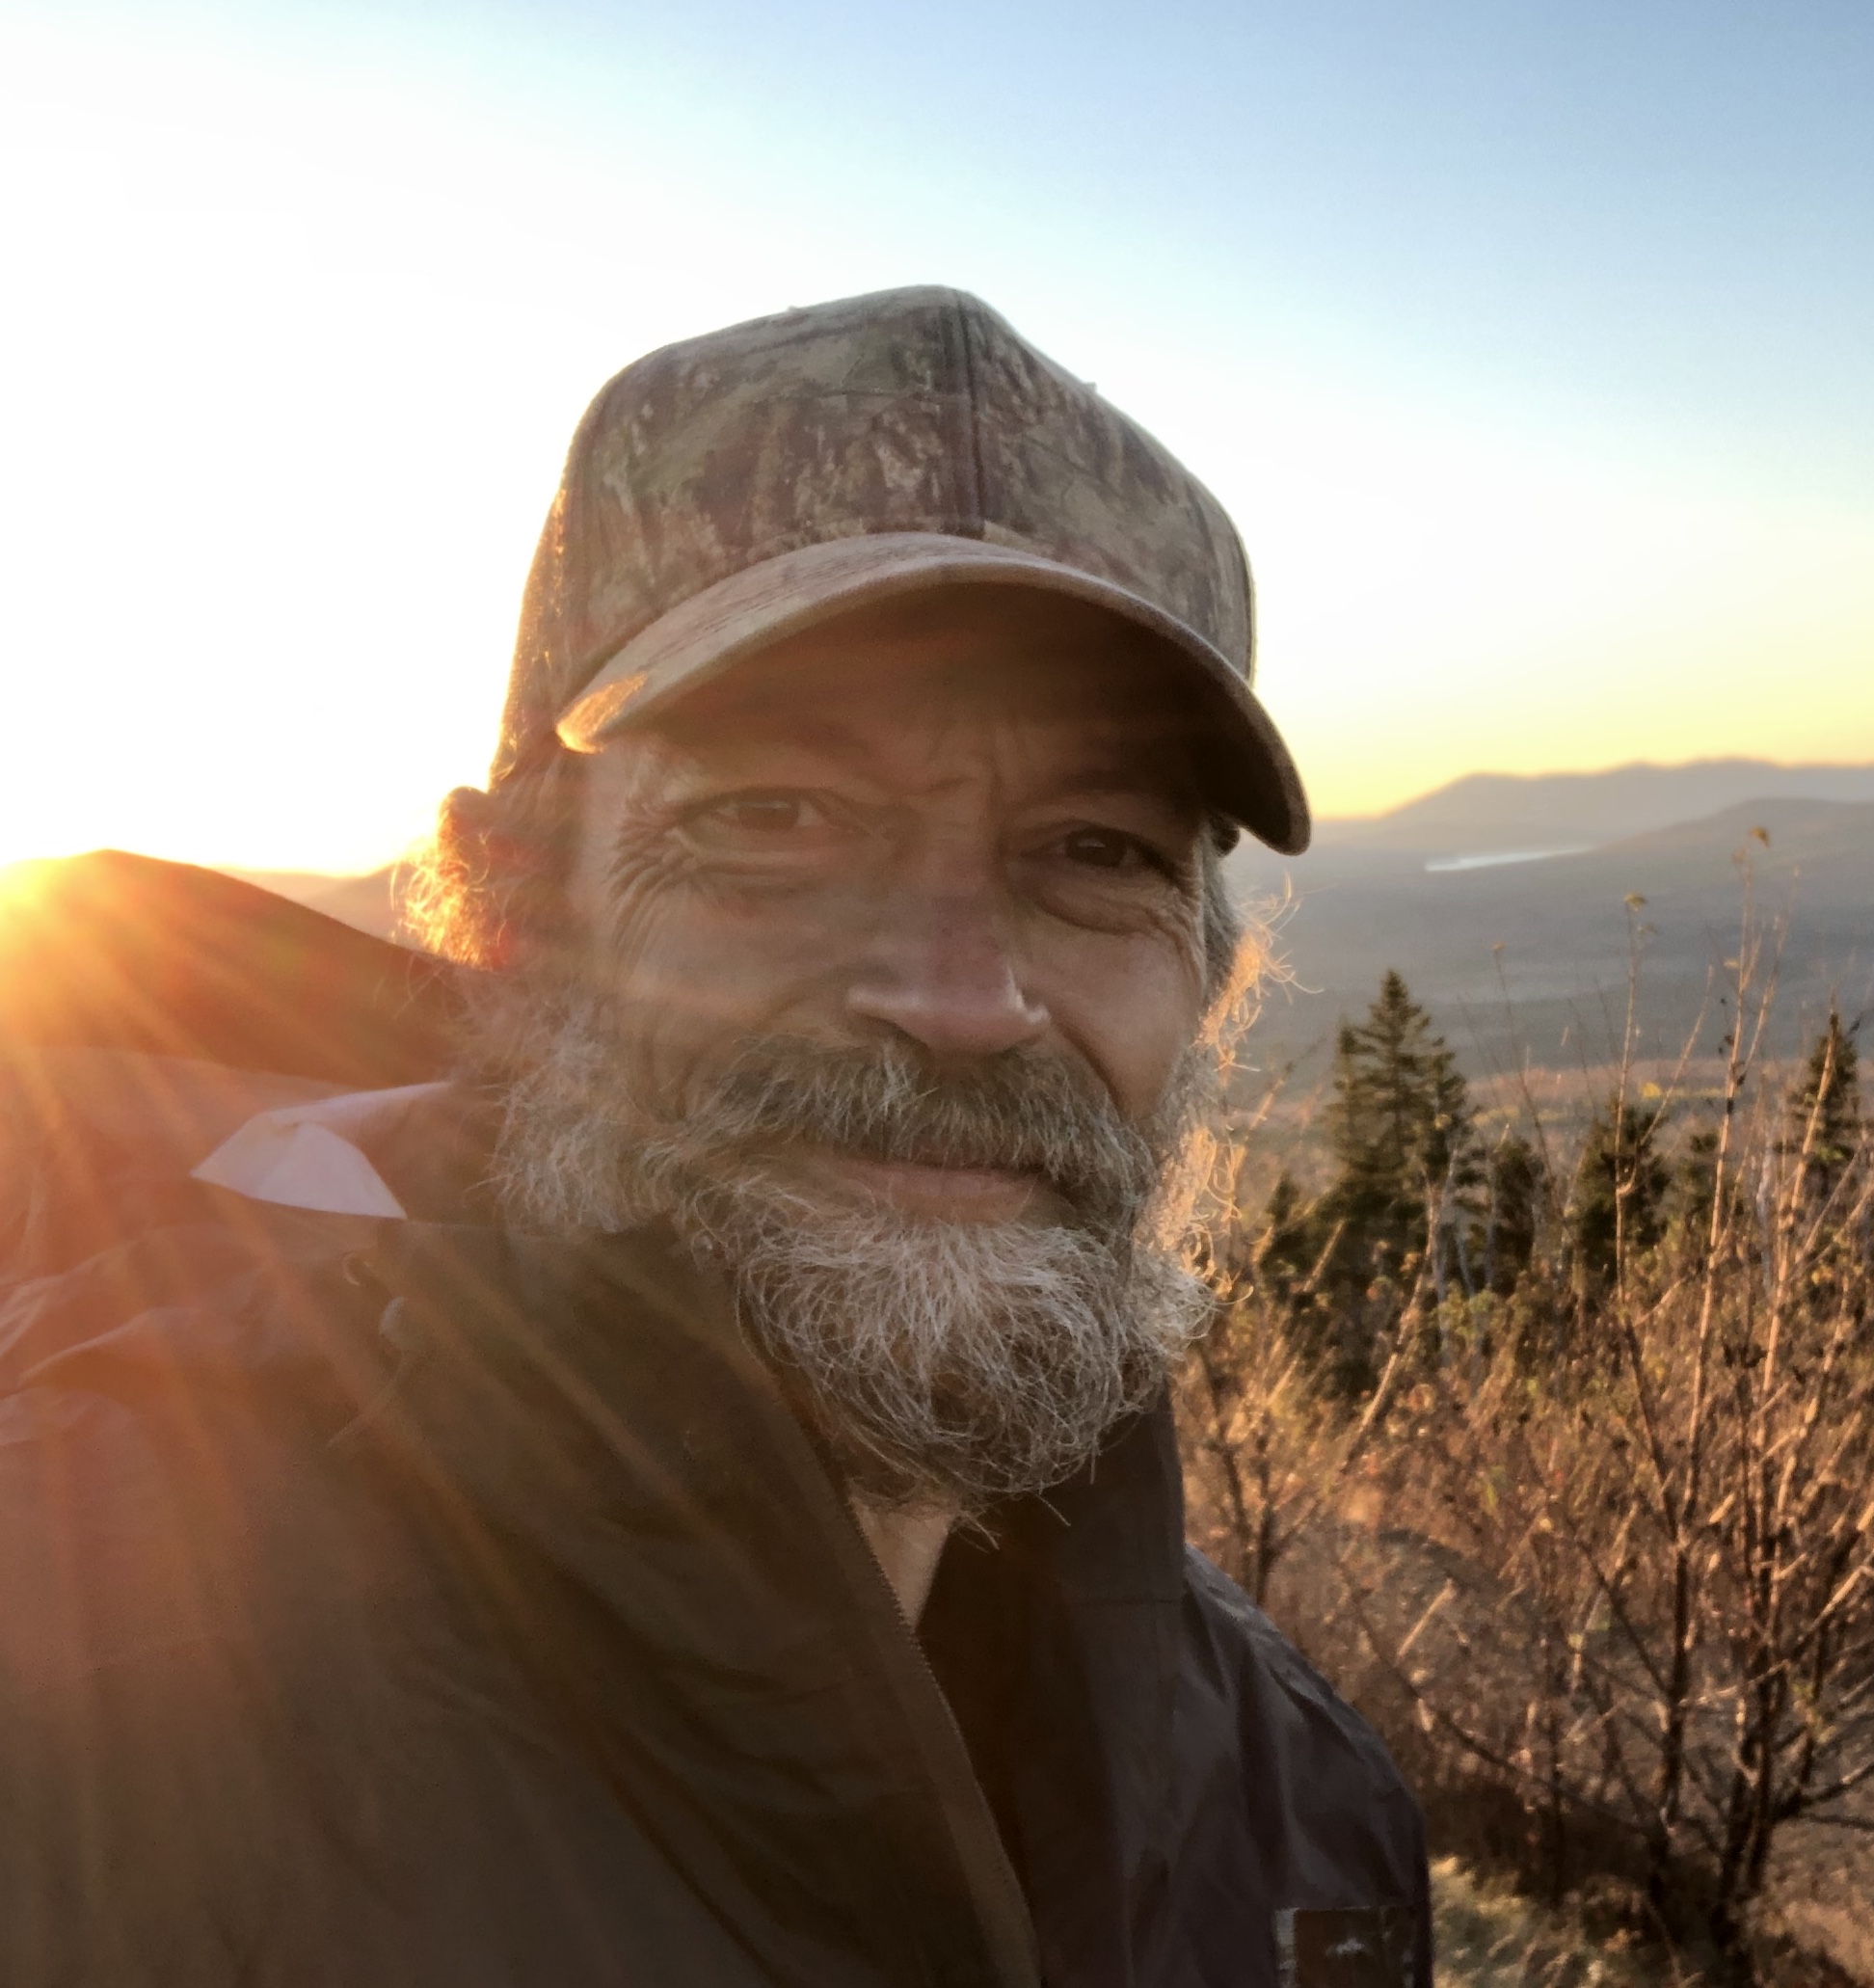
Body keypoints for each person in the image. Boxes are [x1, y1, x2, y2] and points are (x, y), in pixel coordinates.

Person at [0, 287, 1430, 1986]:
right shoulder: (80, 1681)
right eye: (773, 817)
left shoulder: (1297, 1806)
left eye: (1098, 848)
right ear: (516, 908)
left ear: (1204, 972)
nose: (963, 998)